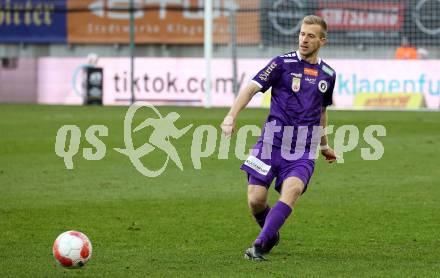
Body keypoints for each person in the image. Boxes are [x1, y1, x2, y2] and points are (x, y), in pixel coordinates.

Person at [220, 15, 337, 261]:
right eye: (302, 34)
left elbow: (322, 111)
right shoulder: (281, 64)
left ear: (322, 41)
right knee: (255, 200)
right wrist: (231, 115)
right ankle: (270, 232)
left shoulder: (328, 74)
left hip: (303, 147)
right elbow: (251, 87)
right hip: (271, 142)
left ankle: (259, 245)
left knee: (292, 189)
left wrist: (324, 144)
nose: (304, 39)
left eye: (311, 36)